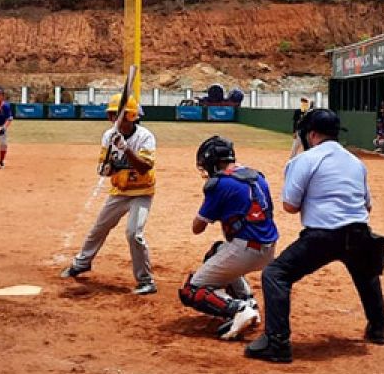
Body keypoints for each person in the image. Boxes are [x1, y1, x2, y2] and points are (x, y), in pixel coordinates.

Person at [246, 109, 384, 364]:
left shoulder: (305, 160)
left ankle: (277, 343)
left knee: (275, 274)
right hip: (359, 233)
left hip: (322, 235)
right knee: (366, 272)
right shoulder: (356, 162)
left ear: (311, 134)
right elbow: (367, 206)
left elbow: (290, 205)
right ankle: (378, 329)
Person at [179, 136, 279, 340]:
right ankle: (247, 300)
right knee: (216, 251)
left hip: (246, 250)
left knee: (192, 290)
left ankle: (239, 309)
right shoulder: (257, 176)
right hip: (268, 248)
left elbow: (197, 228)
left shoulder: (220, 183)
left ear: (213, 162)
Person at [60, 93, 157, 295]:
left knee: (134, 234)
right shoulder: (108, 135)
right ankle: (82, 263)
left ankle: (146, 280)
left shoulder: (145, 136)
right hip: (119, 191)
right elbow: (104, 164)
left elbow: (144, 167)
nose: (114, 120)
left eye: (118, 115)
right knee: (99, 227)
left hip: (142, 192)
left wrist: (126, 148)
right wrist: (106, 169)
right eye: (112, 115)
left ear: (131, 116)